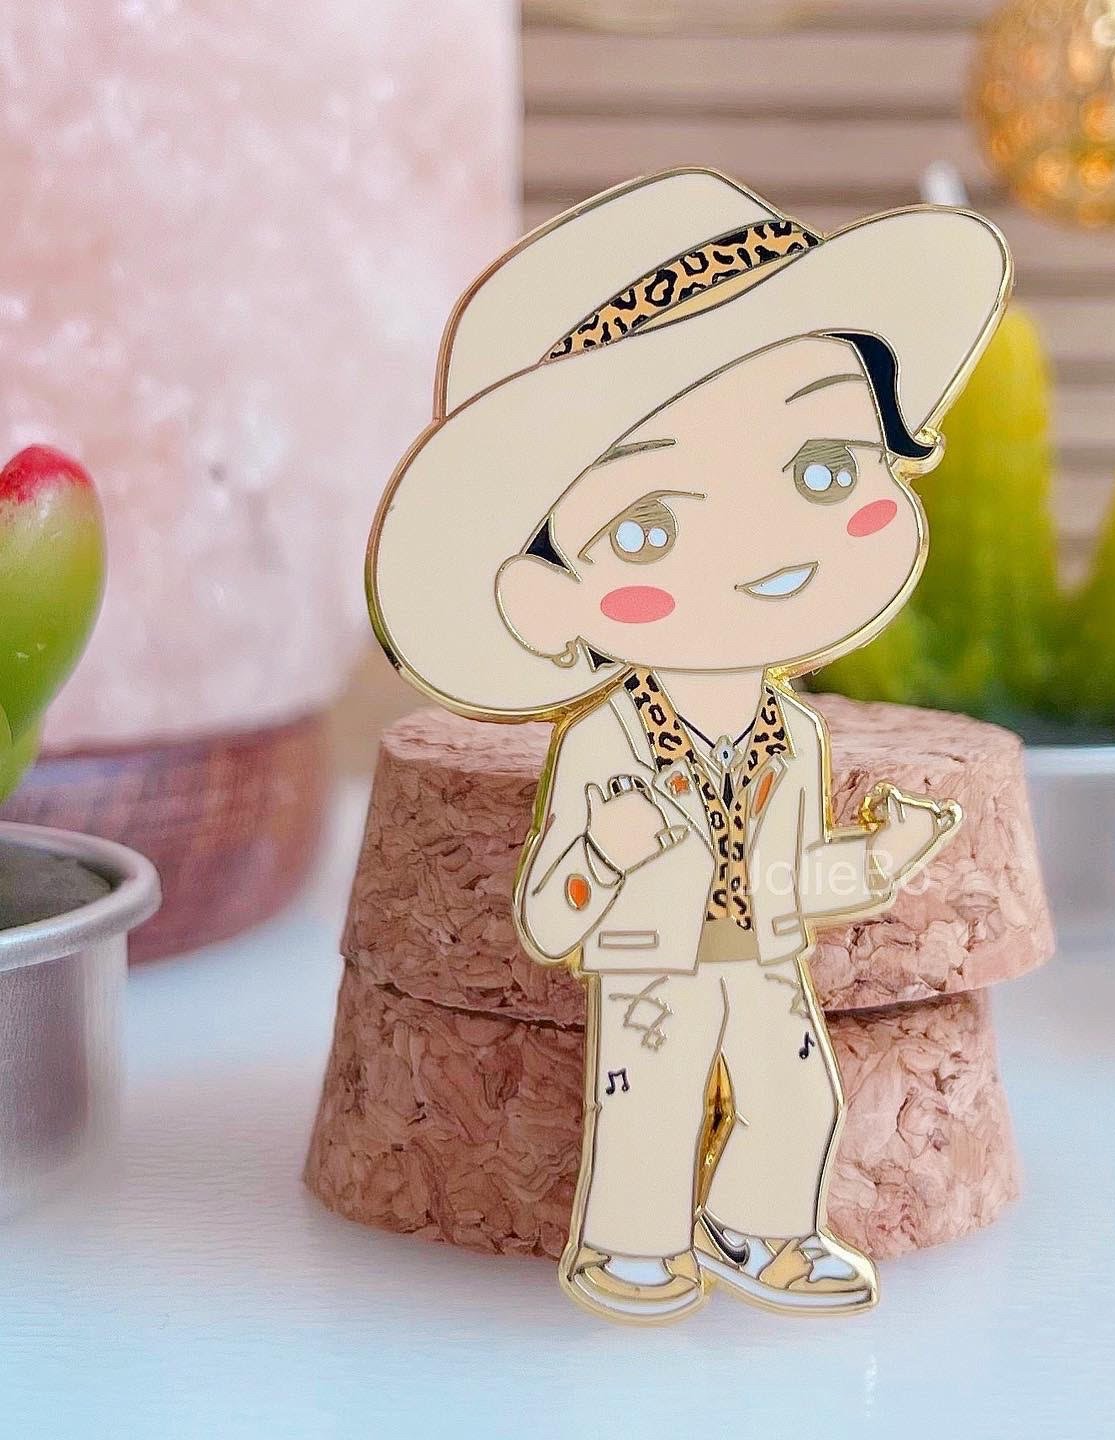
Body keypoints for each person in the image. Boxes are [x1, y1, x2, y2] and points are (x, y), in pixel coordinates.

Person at [367, 168, 1010, 1322]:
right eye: (651, 526)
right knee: (646, 1106)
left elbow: (791, 877)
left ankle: (765, 1228)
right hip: (649, 968)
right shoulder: (602, 744)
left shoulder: (791, 737)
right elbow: (548, 919)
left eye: (822, 470)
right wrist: (599, 856)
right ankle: (632, 1247)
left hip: (763, 961)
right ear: (546, 600)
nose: (762, 548)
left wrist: (880, 859)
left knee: (797, 1099)